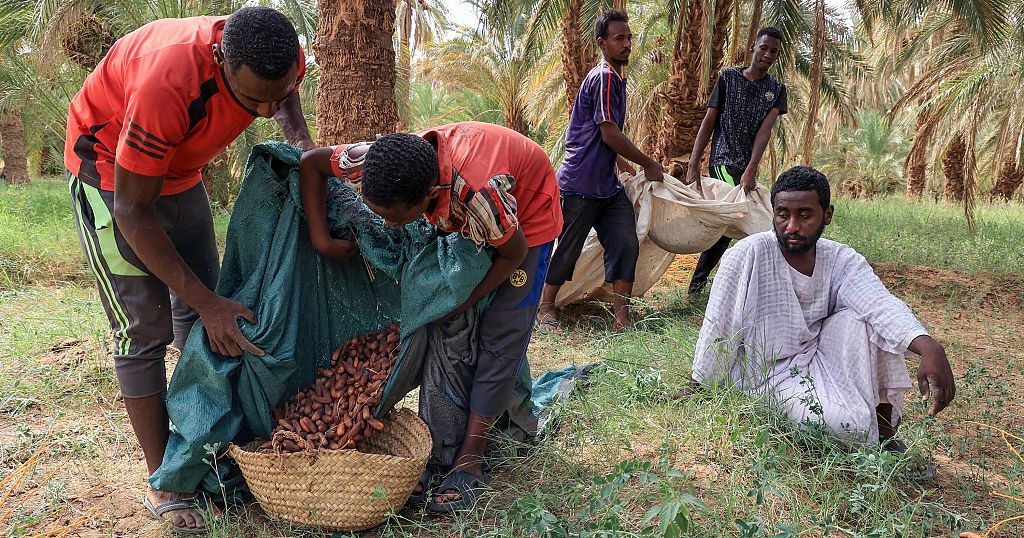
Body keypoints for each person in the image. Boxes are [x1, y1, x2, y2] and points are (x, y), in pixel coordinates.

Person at [64, 7, 313, 533]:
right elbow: (133, 210)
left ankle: (206, 443)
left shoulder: (278, 53)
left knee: (208, 323)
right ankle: (166, 481)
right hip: (111, 177)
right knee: (145, 331)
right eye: (253, 100)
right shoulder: (168, 79)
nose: (267, 111)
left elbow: (283, 101)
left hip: (180, 176)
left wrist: (306, 153)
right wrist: (205, 300)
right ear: (221, 60)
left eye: (279, 93)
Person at [298, 121, 562, 512]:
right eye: (380, 214)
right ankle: (457, 430)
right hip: (471, 211)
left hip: (528, 219)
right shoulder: (377, 162)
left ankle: (471, 455)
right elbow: (311, 163)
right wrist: (321, 238)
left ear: (429, 195)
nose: (388, 225)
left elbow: (513, 254)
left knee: (501, 332)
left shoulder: (479, 193)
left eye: (397, 217)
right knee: (459, 323)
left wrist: (462, 301)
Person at [688, 166, 956, 447]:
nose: (791, 226)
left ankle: (885, 432)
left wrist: (929, 347)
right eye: (783, 214)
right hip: (765, 375)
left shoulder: (841, 258)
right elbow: (719, 324)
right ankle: (865, 431)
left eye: (804, 215)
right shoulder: (747, 255)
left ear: (827, 215)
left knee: (870, 322)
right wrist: (702, 384)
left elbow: (879, 303)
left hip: (817, 357)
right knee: (849, 428)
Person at [535, 9, 664, 332]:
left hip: (606, 186)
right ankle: (545, 308)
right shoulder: (605, 77)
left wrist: (622, 164)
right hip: (580, 183)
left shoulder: (617, 78)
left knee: (624, 242)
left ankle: (622, 318)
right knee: (568, 247)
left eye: (629, 38)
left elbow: (601, 133)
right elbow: (609, 133)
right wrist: (648, 163)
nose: (627, 44)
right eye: (619, 38)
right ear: (602, 43)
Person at [683, 27, 788, 296]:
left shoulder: (776, 90)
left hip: (746, 166)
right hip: (722, 161)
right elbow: (709, 121)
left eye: (773, 51)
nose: (767, 54)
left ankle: (700, 286)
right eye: (763, 48)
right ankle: (709, 285)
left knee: (726, 227)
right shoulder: (729, 78)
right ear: (753, 46)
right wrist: (694, 164)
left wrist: (752, 168)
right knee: (738, 219)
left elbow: (764, 132)